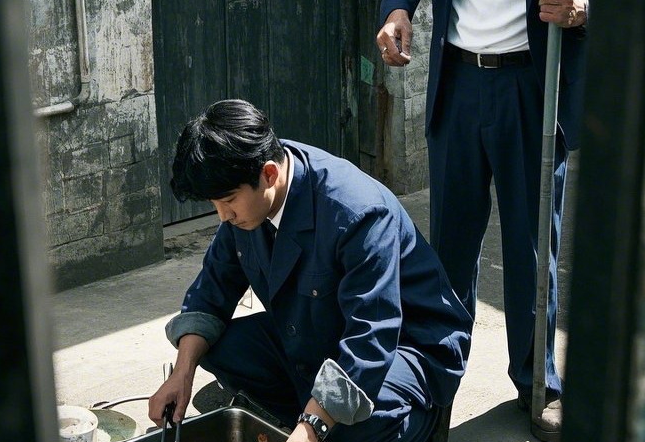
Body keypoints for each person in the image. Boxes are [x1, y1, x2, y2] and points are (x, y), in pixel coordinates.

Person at [376, 0, 599, 441]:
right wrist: (396, 13)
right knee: (448, 249)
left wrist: (583, 10)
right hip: (458, 87)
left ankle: (539, 384)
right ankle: (432, 384)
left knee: (533, 246)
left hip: (533, 88)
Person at [148, 99, 473, 442]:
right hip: (318, 328)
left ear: (269, 175)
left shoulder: (357, 213)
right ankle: (314, 413)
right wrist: (182, 374)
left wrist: (311, 428)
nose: (222, 215)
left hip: (405, 344)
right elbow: (212, 290)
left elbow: (371, 339)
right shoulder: (248, 185)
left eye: (228, 201)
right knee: (214, 347)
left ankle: (417, 421)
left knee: (356, 423)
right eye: (214, 204)